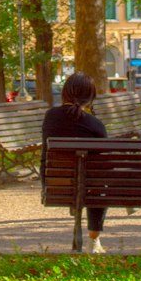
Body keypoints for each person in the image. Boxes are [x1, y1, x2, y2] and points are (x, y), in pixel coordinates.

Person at [41, 72, 107, 254]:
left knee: (92, 181)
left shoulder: (51, 116)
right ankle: (94, 240)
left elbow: (44, 154)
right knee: (98, 183)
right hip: (90, 187)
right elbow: (104, 162)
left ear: (65, 93)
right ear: (91, 97)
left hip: (56, 183)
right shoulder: (95, 124)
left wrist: (44, 181)